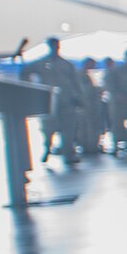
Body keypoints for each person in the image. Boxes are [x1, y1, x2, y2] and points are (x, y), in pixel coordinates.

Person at [21, 37, 85, 166]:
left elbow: (75, 83)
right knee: (48, 129)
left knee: (68, 129)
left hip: (67, 101)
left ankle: (68, 154)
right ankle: (47, 148)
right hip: (48, 102)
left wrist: (79, 98)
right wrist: (32, 89)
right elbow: (24, 71)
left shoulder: (67, 64)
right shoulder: (40, 63)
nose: (55, 47)